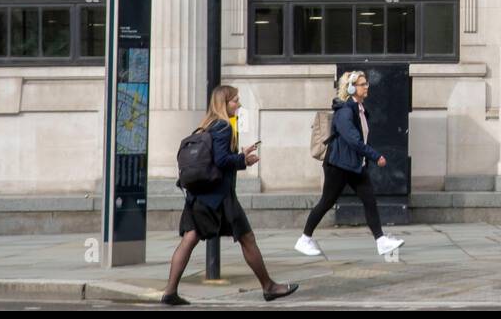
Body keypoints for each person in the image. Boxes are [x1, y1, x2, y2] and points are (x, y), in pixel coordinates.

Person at [161, 85, 298, 306]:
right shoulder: (224, 127)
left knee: (190, 238)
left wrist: (239, 155)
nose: (239, 104)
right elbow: (222, 161)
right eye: (235, 101)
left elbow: (216, 158)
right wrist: (244, 160)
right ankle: (269, 287)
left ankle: (169, 291)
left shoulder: (204, 127)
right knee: (247, 238)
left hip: (198, 196)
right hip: (220, 197)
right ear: (224, 104)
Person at [295, 71, 405, 258]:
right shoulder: (345, 112)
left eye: (366, 83)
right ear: (352, 88)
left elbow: (361, 138)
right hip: (338, 166)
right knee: (326, 202)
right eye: (363, 84)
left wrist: (368, 157)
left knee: (369, 200)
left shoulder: (359, 109)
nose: (367, 86)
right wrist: (375, 156)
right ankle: (304, 239)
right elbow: (353, 140)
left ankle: (381, 242)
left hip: (354, 165)